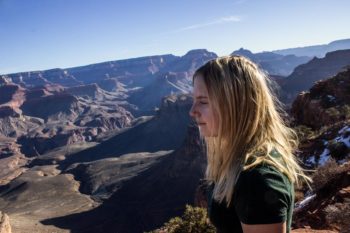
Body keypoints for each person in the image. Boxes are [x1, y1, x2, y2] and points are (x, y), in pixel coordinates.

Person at [189, 55, 310, 233]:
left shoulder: (256, 180)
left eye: (203, 102)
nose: (192, 111)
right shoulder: (239, 161)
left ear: (236, 105)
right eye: (194, 101)